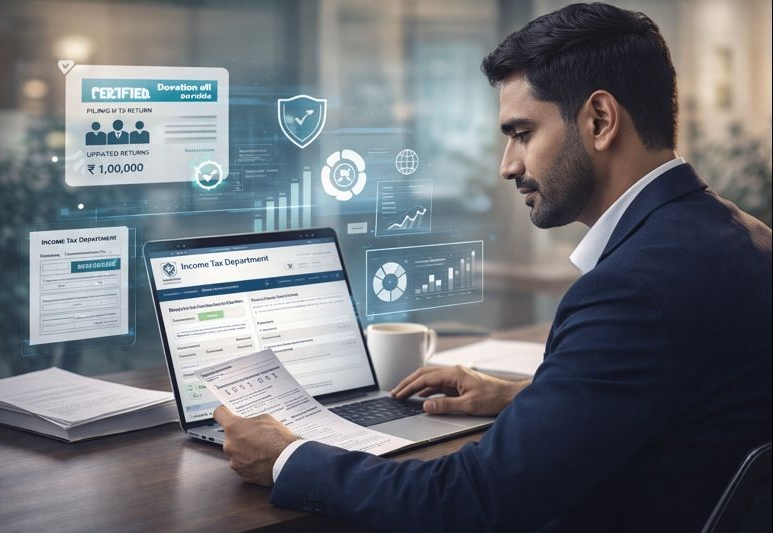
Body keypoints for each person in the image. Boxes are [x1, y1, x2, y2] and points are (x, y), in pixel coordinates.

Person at [212, 3, 772, 531]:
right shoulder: (744, 238)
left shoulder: (631, 292)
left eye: (522, 134)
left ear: (600, 120)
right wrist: (525, 397)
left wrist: (289, 459)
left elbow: (472, 501)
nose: (509, 166)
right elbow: (681, 402)